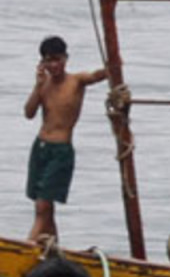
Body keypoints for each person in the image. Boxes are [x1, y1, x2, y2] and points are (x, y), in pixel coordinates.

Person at [24, 35, 108, 242]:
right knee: (44, 206)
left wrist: (113, 64)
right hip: (41, 147)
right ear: (42, 63)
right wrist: (37, 86)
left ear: (65, 58)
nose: (54, 65)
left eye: (57, 59)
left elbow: (99, 75)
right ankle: (52, 249)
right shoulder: (43, 85)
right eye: (48, 61)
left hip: (60, 150)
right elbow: (29, 112)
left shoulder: (76, 81)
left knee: (42, 205)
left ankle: (28, 245)